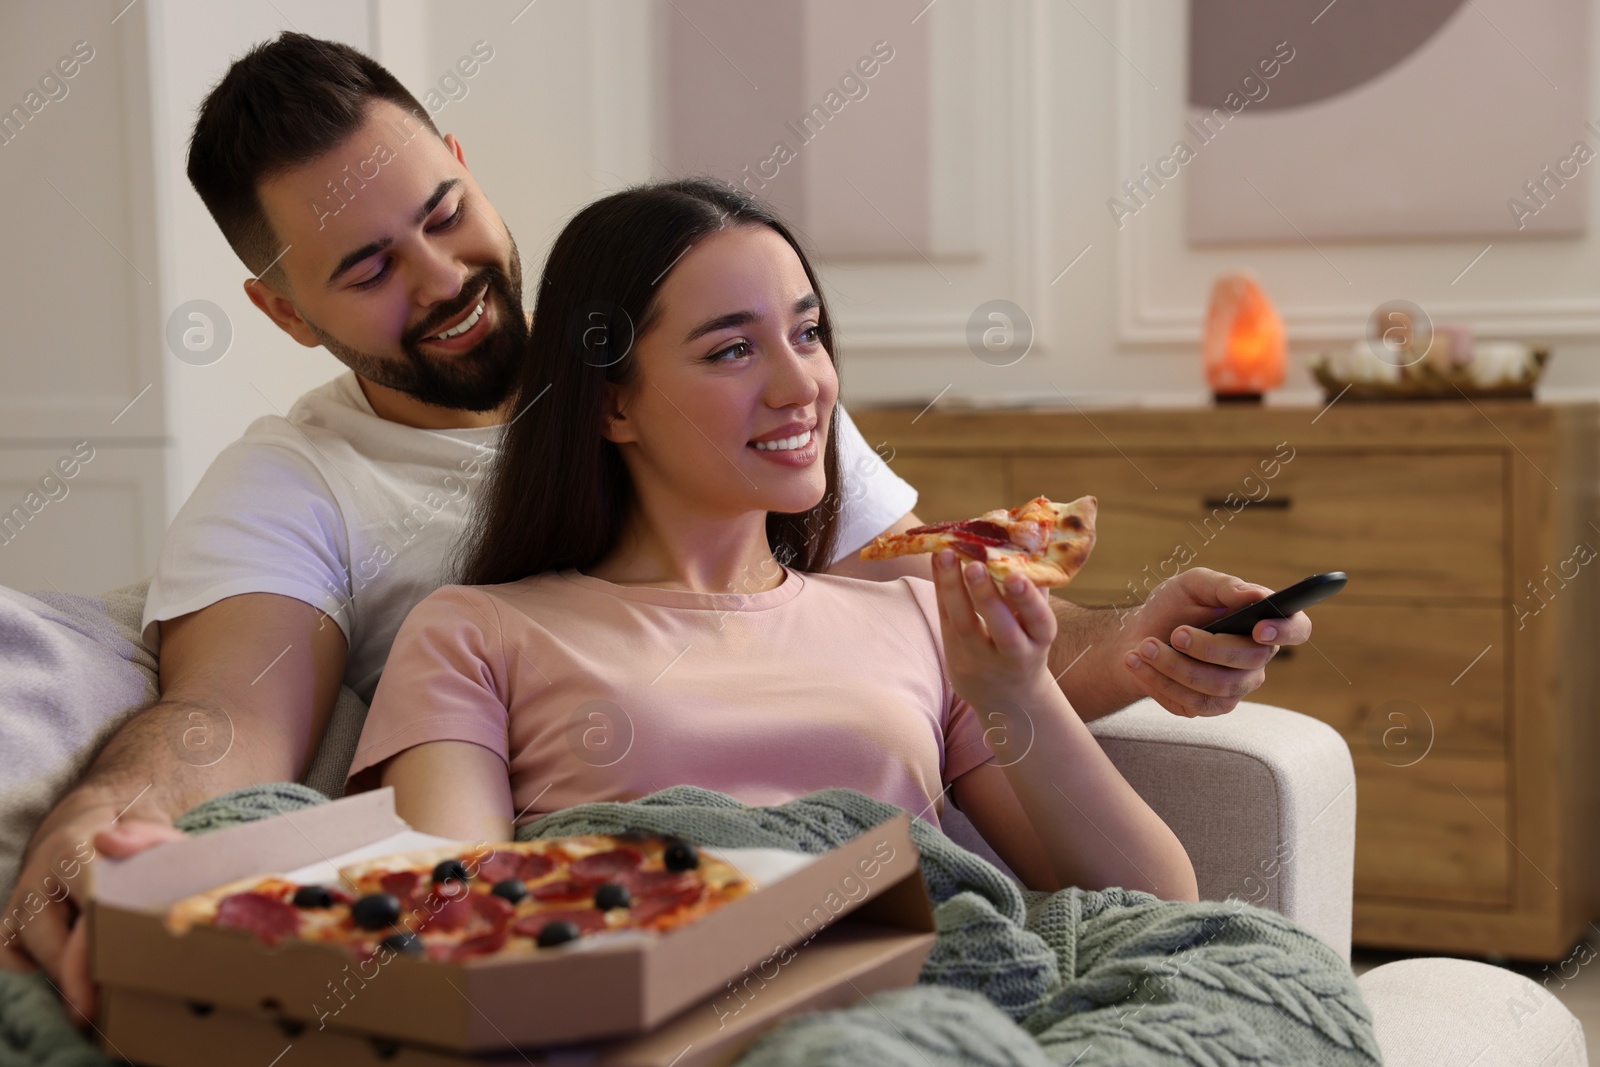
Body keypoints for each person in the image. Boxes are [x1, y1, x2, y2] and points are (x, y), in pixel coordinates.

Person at [0, 33, 1305, 1021]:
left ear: (463, 167)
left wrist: (1123, 640)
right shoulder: (334, 511)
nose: (442, 276)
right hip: (647, 953)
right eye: (367, 267)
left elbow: (938, 650)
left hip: (913, 952)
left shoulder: (774, 431)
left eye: (443, 215)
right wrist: (116, 809)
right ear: (287, 312)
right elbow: (236, 723)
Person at [347, 179, 1198, 901]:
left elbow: (1160, 905)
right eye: (732, 350)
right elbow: (451, 924)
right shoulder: (474, 635)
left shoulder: (915, 618)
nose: (803, 386)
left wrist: (1016, 691)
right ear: (613, 404)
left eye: (808, 332)